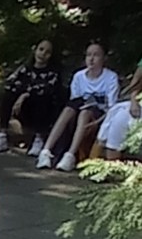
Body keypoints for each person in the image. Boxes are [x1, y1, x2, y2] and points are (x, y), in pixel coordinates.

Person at [37, 41, 120, 173]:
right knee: (69, 108)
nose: (91, 59)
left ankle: (70, 155)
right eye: (88, 55)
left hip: (99, 115)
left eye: (96, 55)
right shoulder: (79, 76)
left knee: (85, 112)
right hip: (78, 112)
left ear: (104, 58)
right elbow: (74, 101)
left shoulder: (111, 78)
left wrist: (96, 123)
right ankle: (46, 151)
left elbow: (112, 108)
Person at [0, 40, 67, 156]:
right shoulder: (25, 69)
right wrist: (21, 95)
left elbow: (47, 89)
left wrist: (25, 95)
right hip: (22, 110)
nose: (42, 54)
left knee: (42, 97)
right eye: (41, 49)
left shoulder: (53, 73)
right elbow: (10, 83)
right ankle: (2, 135)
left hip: (42, 113)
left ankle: (39, 139)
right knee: (8, 93)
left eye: (47, 52)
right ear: (35, 50)